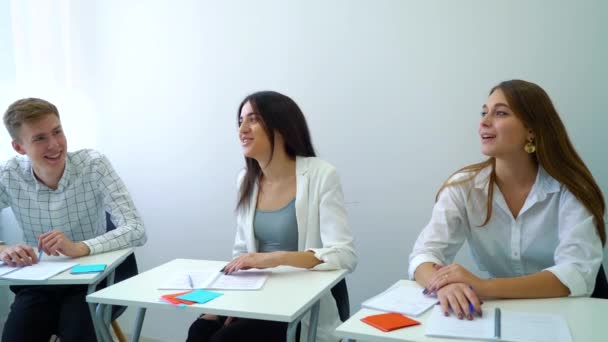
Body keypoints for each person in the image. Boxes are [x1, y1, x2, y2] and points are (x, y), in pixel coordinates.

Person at [409, 80, 605, 320]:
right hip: (506, 310)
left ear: (532, 129)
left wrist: (482, 286)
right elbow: (424, 255)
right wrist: (445, 284)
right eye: (484, 112)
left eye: (500, 113)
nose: (484, 122)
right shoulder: (463, 188)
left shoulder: (570, 189)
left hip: (575, 311)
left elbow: (576, 272)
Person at [187, 91, 357, 342]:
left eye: (253, 119)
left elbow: (345, 255)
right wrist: (231, 305)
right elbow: (242, 252)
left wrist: (275, 259)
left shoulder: (321, 175)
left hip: (299, 305)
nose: (242, 129)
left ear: (281, 127)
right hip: (256, 296)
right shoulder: (245, 180)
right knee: (200, 330)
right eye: (240, 121)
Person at [0, 98, 147, 341]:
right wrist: (3, 248)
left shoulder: (93, 164)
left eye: (57, 131)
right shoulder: (9, 174)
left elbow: (136, 229)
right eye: (40, 138)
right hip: (42, 283)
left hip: (96, 280)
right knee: (18, 333)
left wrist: (80, 247)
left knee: (77, 325)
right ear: (19, 147)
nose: (55, 144)